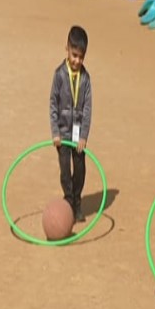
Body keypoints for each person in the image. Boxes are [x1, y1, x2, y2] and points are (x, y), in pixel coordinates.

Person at [49, 26, 92, 223]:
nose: (77, 61)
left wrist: (83, 136)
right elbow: (53, 103)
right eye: (74, 55)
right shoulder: (59, 74)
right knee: (65, 171)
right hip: (63, 133)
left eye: (81, 57)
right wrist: (55, 132)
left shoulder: (86, 78)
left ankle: (77, 202)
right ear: (67, 49)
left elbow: (88, 108)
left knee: (80, 170)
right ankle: (68, 201)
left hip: (77, 135)